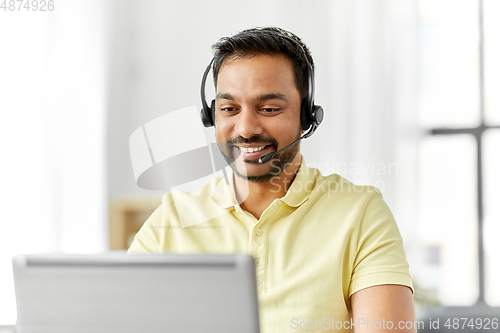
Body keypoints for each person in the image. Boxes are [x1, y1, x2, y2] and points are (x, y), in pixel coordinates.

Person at [128, 27, 416, 332]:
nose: (246, 128)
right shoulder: (172, 219)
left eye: (268, 109)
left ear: (307, 116)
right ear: (211, 116)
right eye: (229, 109)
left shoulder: (361, 214)